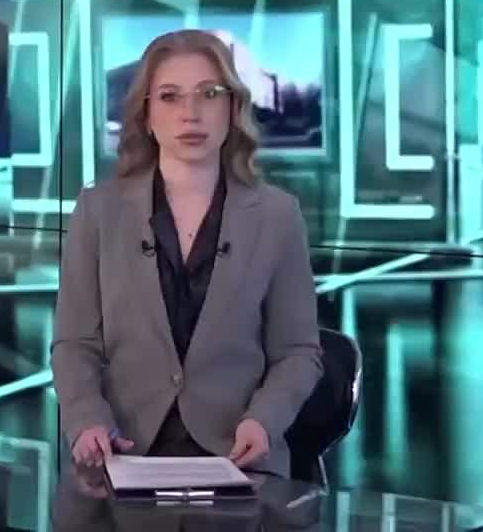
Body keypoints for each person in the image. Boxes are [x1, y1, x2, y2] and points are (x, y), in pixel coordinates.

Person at [51, 29, 323, 479]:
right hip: (122, 457)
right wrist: (87, 421)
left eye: (209, 94)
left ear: (233, 108)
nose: (190, 113)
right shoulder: (98, 211)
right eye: (170, 96)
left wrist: (263, 421)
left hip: (239, 461)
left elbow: (298, 352)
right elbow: (74, 344)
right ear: (146, 114)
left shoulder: (278, 216)